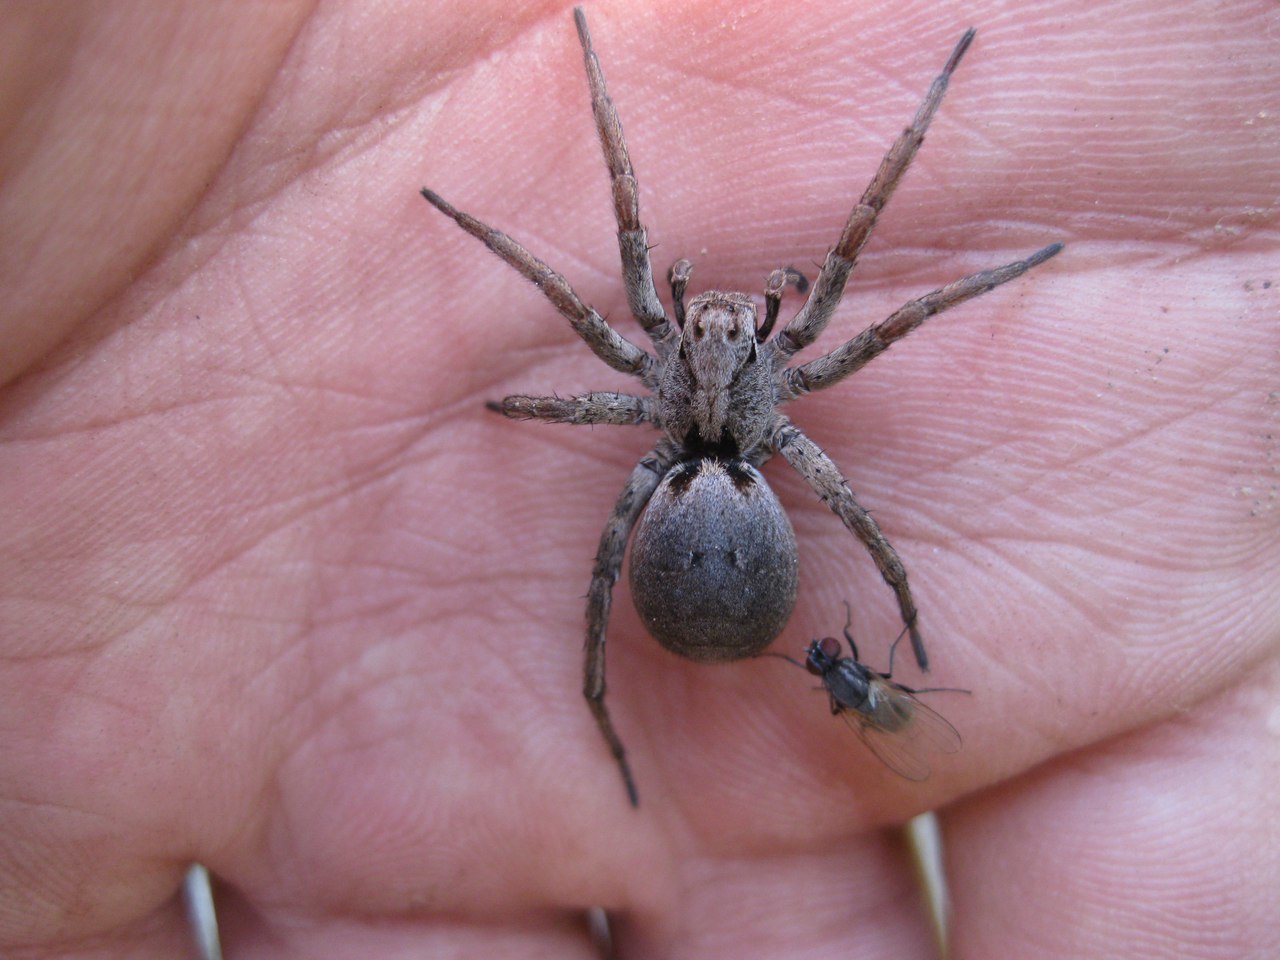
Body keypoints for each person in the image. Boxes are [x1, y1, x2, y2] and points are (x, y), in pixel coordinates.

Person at [1, 4, 1276, 957]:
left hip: (684, 509)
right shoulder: (784, 414)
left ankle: (610, 721)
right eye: (709, 321)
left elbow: (589, 297)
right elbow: (874, 343)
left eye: (723, 325)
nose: (717, 326)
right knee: (818, 512)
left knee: (611, 558)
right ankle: (613, 724)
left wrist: (501, 233)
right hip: (731, 515)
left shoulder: (638, 378)